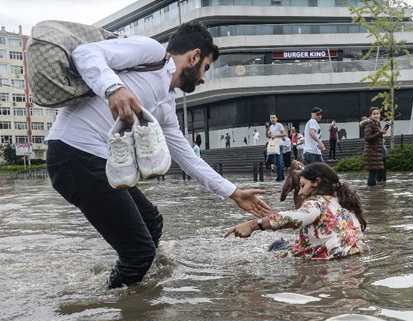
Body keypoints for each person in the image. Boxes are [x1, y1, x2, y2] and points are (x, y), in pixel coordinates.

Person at [45, 22, 270, 289]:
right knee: (139, 253)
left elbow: (187, 157)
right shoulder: (151, 52)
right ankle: (115, 314)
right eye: (206, 68)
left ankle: (136, 288)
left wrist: (233, 192)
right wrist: (113, 89)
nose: (203, 78)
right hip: (73, 155)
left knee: (152, 222)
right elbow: (84, 53)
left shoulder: (166, 104)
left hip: (98, 163)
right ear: (194, 56)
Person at [225, 163, 367, 260]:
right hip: (353, 254)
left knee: (276, 246)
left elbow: (295, 217)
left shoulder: (317, 203)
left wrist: (252, 225)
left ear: (316, 182)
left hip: (328, 259)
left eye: (303, 185)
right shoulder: (345, 202)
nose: (300, 192)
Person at [360, 107, 387, 186]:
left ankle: (372, 193)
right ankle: (371, 193)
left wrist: (381, 138)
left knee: (374, 174)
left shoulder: (376, 124)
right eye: (374, 114)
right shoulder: (369, 125)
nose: (376, 115)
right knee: (372, 174)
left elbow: (375, 137)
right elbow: (367, 138)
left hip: (376, 152)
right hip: (371, 152)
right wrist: (380, 133)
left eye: (377, 113)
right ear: (370, 115)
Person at [266, 113, 286, 181]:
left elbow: (284, 134)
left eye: (274, 118)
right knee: (278, 161)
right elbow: (270, 135)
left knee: (278, 161)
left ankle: (279, 177)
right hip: (274, 145)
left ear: (276, 118)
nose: (272, 119)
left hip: (279, 145)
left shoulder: (279, 125)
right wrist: (269, 134)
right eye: (271, 118)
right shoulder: (271, 127)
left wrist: (276, 136)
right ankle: (282, 177)